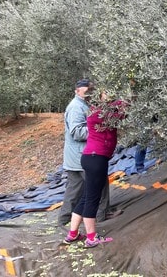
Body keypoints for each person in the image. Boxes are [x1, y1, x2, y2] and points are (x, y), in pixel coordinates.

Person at [63, 91, 127, 248]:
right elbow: (125, 107)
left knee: (86, 197)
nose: (111, 95)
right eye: (107, 93)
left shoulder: (94, 110)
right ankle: (91, 238)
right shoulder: (103, 113)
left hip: (89, 157)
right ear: (100, 97)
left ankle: (72, 234)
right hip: (96, 159)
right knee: (93, 199)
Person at [58, 79, 111, 226]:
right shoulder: (76, 107)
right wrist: (99, 129)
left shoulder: (84, 105)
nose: (89, 91)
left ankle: (64, 220)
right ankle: (101, 216)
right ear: (77, 91)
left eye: (90, 89)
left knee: (74, 190)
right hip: (82, 155)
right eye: (85, 89)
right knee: (98, 184)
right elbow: (76, 132)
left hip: (76, 156)